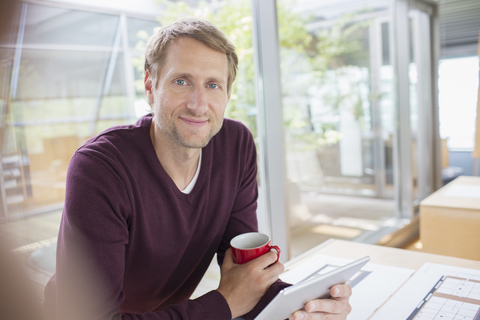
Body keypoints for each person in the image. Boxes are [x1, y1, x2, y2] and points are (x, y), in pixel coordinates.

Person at [43, 17, 352, 320]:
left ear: (228, 94)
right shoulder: (100, 169)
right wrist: (224, 304)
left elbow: (246, 276)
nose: (198, 104)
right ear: (151, 85)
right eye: (182, 81)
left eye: (213, 85)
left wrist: (305, 306)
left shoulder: (236, 145)